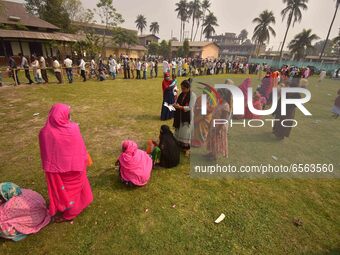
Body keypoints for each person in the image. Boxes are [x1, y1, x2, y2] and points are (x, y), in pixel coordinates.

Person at [39, 103, 93, 222]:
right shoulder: (73, 128)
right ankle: (72, 210)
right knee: (76, 190)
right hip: (76, 167)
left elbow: (46, 154)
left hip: (57, 170)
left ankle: (69, 209)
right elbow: (81, 148)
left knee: (65, 192)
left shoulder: (44, 133)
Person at [173, 79, 197, 155]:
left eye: (183, 88)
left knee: (186, 132)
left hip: (187, 117)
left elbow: (190, 107)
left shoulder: (193, 95)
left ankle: (187, 148)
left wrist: (180, 107)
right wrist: (175, 105)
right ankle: (180, 145)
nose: (182, 90)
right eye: (182, 88)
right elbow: (178, 102)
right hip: (180, 115)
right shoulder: (182, 94)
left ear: (188, 88)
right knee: (180, 131)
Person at [206, 88, 231, 160]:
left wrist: (218, 129)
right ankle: (211, 153)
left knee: (217, 140)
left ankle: (214, 156)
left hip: (220, 125)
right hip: (214, 123)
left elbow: (224, 119)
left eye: (218, 94)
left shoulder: (226, 105)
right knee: (212, 138)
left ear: (223, 95)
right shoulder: (219, 102)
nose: (217, 95)